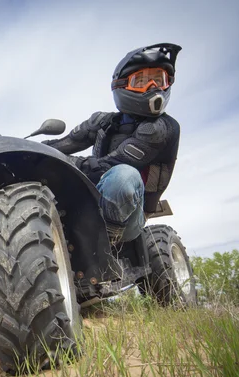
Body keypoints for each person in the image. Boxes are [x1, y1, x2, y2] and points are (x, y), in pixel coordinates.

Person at [44, 43, 182, 243]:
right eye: (141, 81)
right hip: (90, 197)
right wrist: (24, 149)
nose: (153, 88)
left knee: (124, 176)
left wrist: (65, 162)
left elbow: (112, 165)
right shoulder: (103, 122)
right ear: (122, 84)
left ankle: (107, 246)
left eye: (159, 80)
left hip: (132, 214)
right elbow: (65, 143)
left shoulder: (162, 128)